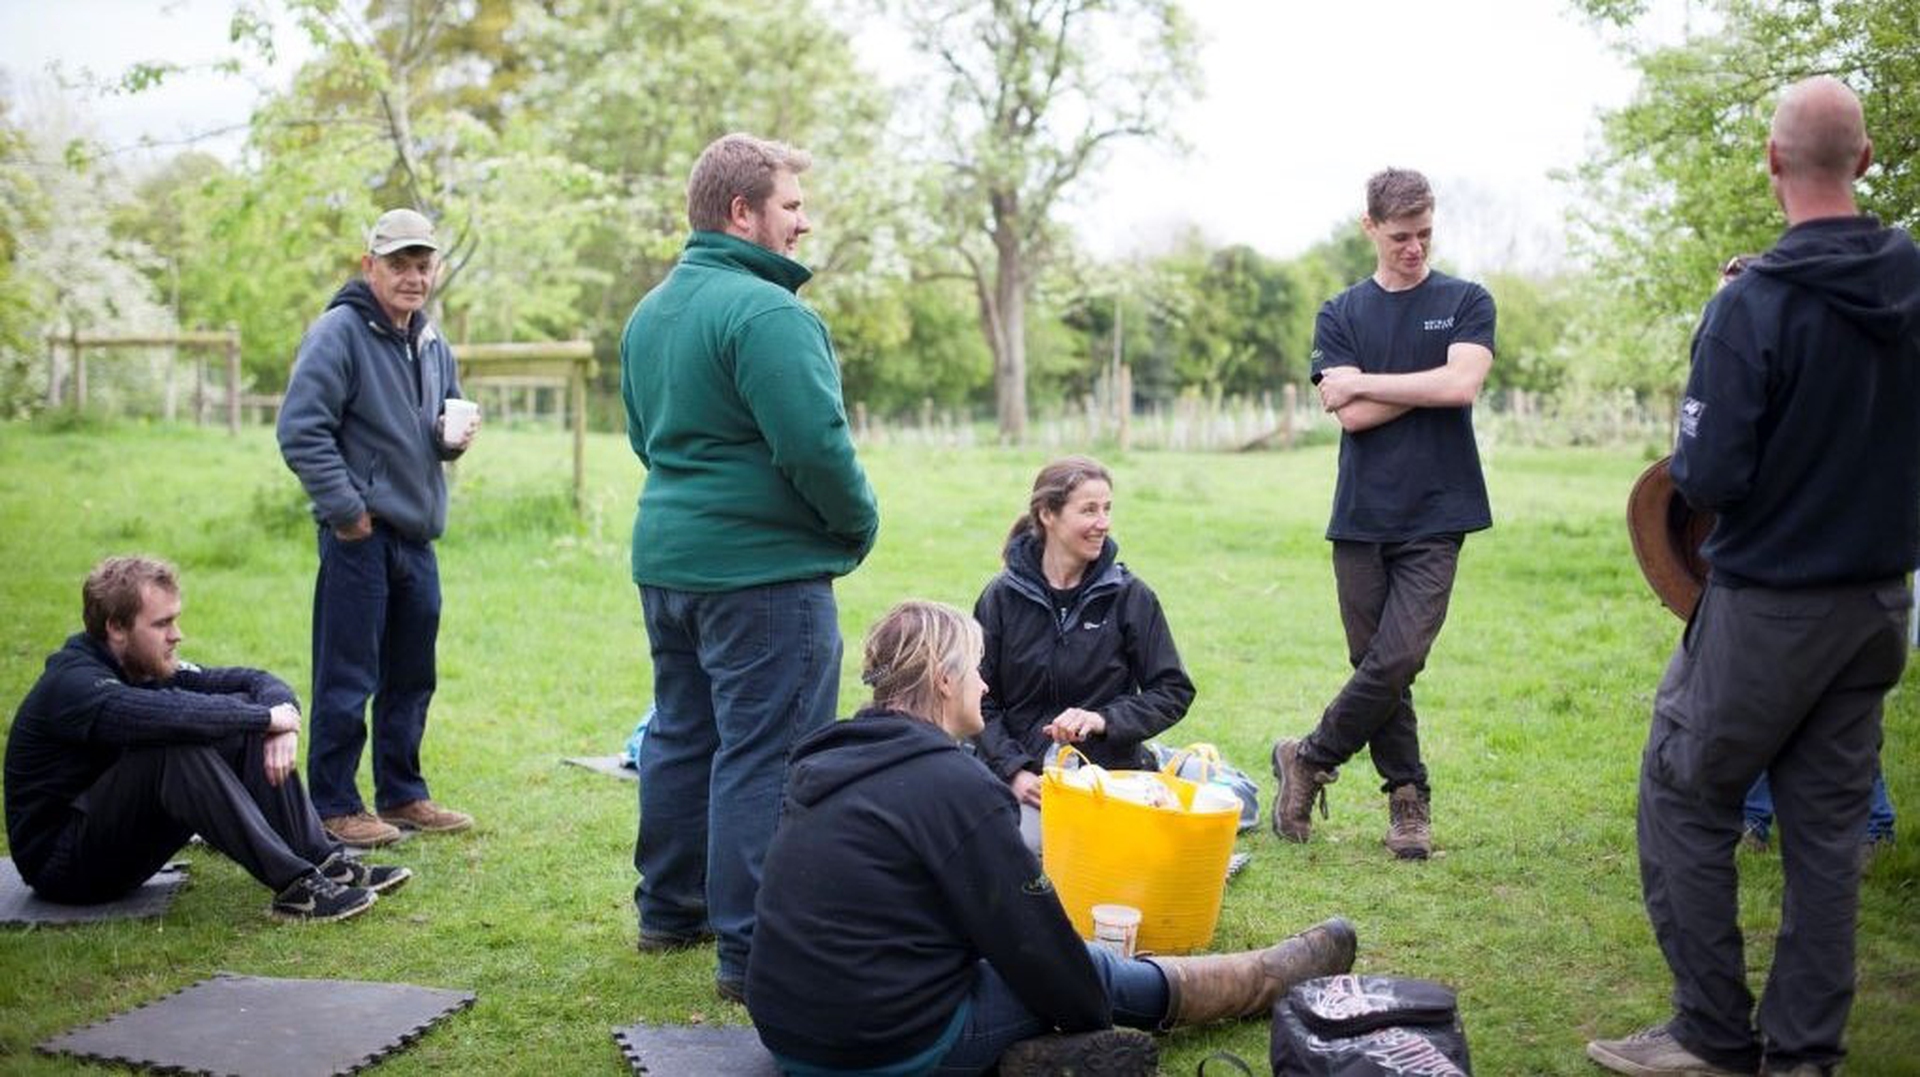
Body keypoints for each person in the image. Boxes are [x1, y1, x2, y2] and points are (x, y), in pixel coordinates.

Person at [1587, 76, 1920, 1077]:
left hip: (1770, 609)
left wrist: (1727, 325)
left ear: (1773, 161)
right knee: (1827, 833)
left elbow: (1709, 477)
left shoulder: (1752, 305)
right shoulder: (1910, 280)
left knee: (1683, 793)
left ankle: (1711, 1033)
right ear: (1865, 160)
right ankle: (1806, 1054)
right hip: (1879, 608)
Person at [746, 600, 1358, 1076]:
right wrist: (1092, 1009)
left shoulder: (833, 761)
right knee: (1082, 965)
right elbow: (1038, 948)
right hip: (881, 1048)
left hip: (787, 1030)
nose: (985, 686)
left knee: (1026, 955)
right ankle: (1260, 980)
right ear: (943, 680)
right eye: (976, 670)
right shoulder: (957, 786)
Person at [620, 132, 880, 1003]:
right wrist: (858, 524)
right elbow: (816, 447)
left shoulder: (650, 313)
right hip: (761, 577)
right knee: (768, 754)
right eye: (792, 205)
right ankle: (755, 946)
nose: (804, 222)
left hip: (669, 565)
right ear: (742, 212)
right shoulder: (771, 315)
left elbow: (646, 438)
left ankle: (670, 909)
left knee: (682, 733)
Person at [1268, 168, 1496, 860]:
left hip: (1438, 513)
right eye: (1400, 236)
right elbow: (1352, 418)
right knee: (1376, 665)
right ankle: (1406, 798)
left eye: (1424, 233)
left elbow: (1461, 385)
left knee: (1401, 655)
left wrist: (1366, 379)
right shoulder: (1340, 314)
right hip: (1362, 516)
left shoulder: (1466, 300)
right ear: (1370, 227)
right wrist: (1427, 383)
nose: (1414, 248)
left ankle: (1309, 756)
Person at [3, 557, 411, 922]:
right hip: (65, 867)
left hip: (119, 852)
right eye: (161, 624)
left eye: (175, 620)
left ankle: (322, 861)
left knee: (238, 725)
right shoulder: (73, 685)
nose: (176, 635)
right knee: (178, 745)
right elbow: (165, 716)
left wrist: (279, 723)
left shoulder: (141, 665)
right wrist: (264, 718)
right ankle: (295, 888)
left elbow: (254, 681)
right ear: (116, 628)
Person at [277, 207, 478, 849]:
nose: (413, 277)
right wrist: (347, 510)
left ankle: (402, 793)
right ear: (370, 266)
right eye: (399, 265)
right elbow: (300, 429)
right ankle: (335, 805)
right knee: (348, 676)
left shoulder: (432, 340)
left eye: (423, 265)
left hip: (417, 537)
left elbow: (434, 424)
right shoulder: (338, 332)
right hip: (359, 538)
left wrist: (450, 439)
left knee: (412, 676)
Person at [972, 456, 1197, 852]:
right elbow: (976, 698)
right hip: (1026, 773)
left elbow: (1172, 690)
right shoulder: (1000, 598)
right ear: (1048, 514)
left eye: (1107, 508)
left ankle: (1160, 767)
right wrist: (1014, 773)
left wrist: (1103, 719)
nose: (1103, 522)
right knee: (1019, 848)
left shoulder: (1131, 596)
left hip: (1107, 775)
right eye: (1089, 510)